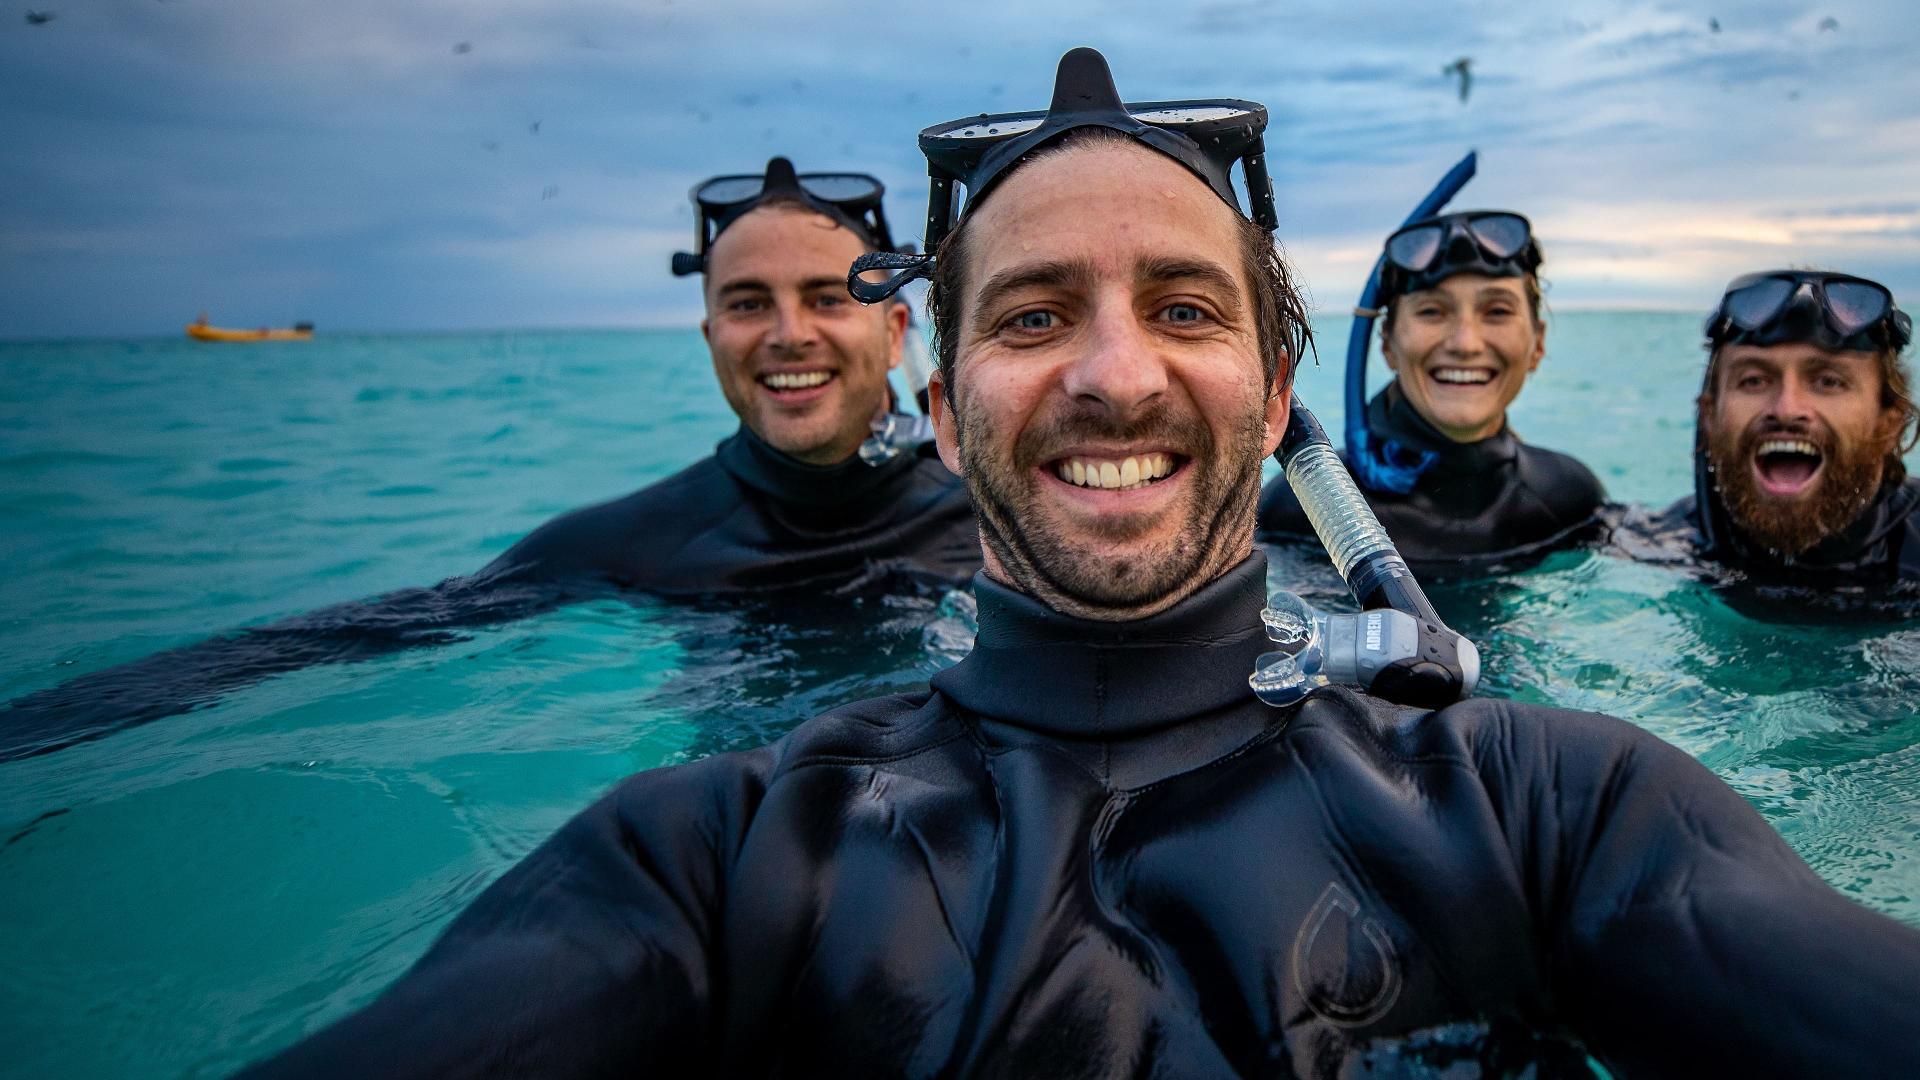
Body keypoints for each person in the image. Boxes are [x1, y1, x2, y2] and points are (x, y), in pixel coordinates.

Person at [241, 50, 1920, 1078]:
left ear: (1274, 401)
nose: (1114, 375)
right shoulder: (719, 857)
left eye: (1185, 311)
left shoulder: (1547, 810)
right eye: (1035, 316)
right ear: (943, 407)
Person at [1, 157, 978, 762]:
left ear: (895, 330)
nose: (787, 333)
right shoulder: (637, 540)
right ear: (710, 334)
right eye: (748, 303)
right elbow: (358, 637)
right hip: (745, 824)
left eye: (825, 297)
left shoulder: (993, 513)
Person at [1257, 209, 1607, 567]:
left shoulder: (1570, 500)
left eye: (1498, 311)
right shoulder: (1303, 510)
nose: (1465, 343)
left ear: (1538, 344)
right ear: (1388, 344)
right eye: (1431, 312)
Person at [1653, 268, 1918, 585]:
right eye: (1753, 381)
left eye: (1828, 382)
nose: (1786, 409)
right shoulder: (1660, 543)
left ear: (1889, 424)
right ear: (1709, 417)